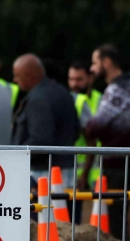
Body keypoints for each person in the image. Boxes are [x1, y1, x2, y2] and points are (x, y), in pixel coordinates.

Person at [85, 44, 130, 240]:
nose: (92, 69)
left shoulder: (116, 89)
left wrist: (88, 127)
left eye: (95, 63)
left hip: (114, 164)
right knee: (123, 214)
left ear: (107, 62)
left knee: (115, 220)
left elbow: (96, 126)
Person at [12, 54, 79, 185]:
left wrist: (16, 157)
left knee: (45, 206)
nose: (15, 80)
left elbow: (40, 140)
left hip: (43, 174)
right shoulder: (62, 92)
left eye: (17, 75)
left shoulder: (38, 99)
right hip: (65, 169)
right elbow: (75, 130)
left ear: (29, 75)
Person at [68, 60, 103, 192]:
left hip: (97, 171)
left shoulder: (102, 100)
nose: (74, 84)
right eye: (71, 79)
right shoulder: (68, 101)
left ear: (90, 78)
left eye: (79, 79)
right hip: (74, 171)